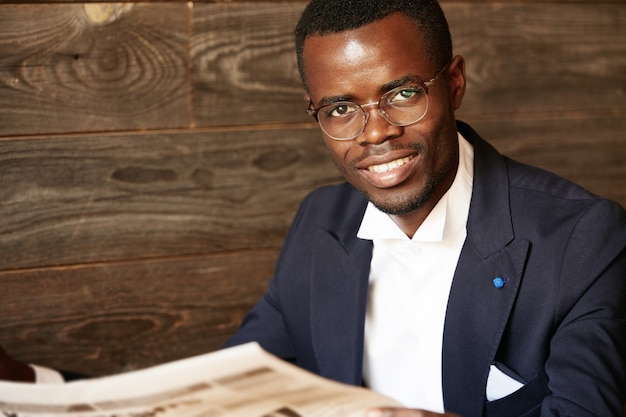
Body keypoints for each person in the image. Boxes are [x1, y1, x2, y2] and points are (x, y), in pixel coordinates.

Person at [1, 1, 625, 416]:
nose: (374, 133)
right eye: (340, 109)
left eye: (402, 93)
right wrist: (41, 389)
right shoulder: (319, 226)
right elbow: (230, 389)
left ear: (453, 84)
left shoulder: (584, 240)